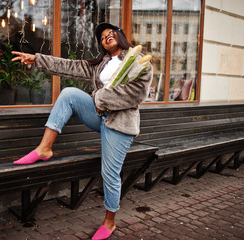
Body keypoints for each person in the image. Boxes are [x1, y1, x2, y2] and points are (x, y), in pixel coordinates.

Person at [11, 22, 152, 240]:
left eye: (111, 33)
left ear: (121, 37)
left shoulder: (138, 62)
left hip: (120, 124)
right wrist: (37, 59)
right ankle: (44, 149)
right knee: (68, 93)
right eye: (103, 36)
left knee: (110, 173)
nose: (107, 36)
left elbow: (137, 93)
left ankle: (109, 222)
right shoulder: (100, 64)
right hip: (99, 116)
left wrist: (99, 98)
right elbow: (69, 66)